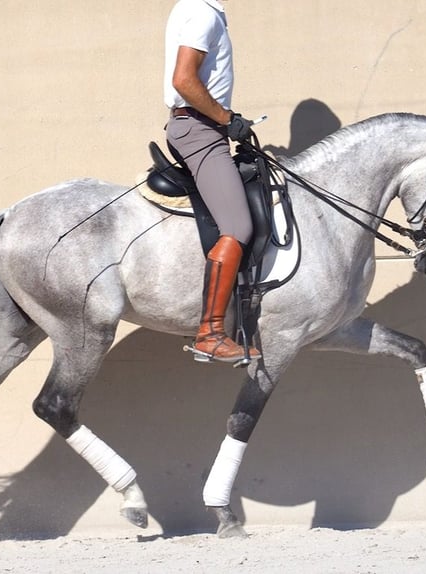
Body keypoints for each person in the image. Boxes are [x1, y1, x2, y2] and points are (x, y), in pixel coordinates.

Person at [163, 0, 261, 364]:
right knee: (237, 225)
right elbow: (183, 79)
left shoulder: (202, 10)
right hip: (199, 129)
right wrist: (226, 117)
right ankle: (211, 332)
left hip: (205, 128)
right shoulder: (202, 12)